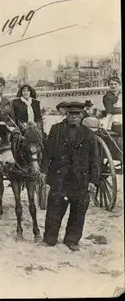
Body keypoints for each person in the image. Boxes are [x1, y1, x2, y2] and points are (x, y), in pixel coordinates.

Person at [39, 101, 99, 251]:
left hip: (81, 178)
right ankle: (50, 238)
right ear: (66, 114)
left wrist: (93, 180)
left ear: (82, 115)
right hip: (59, 177)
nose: (74, 117)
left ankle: (72, 240)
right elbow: (48, 152)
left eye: (77, 114)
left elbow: (95, 159)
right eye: (71, 113)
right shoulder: (56, 130)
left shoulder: (88, 134)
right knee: (54, 209)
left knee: (78, 211)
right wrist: (43, 171)